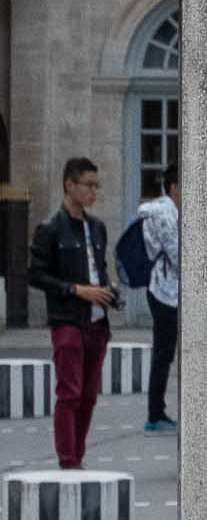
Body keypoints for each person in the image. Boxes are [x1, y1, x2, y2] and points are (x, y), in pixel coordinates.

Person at [29, 157, 122, 471]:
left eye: (97, 186)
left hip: (97, 322)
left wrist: (108, 292)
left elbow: (99, 269)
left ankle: (78, 458)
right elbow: (36, 275)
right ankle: (68, 462)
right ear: (70, 185)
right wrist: (76, 290)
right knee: (69, 393)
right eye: (89, 185)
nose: (94, 192)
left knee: (89, 395)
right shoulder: (50, 228)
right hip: (68, 321)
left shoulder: (97, 227)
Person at [140, 169, 180, 433]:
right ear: (174, 186)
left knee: (164, 354)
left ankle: (157, 413)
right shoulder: (165, 213)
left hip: (166, 290)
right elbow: (178, 254)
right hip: (165, 291)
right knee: (163, 354)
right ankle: (155, 415)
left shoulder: (165, 211)